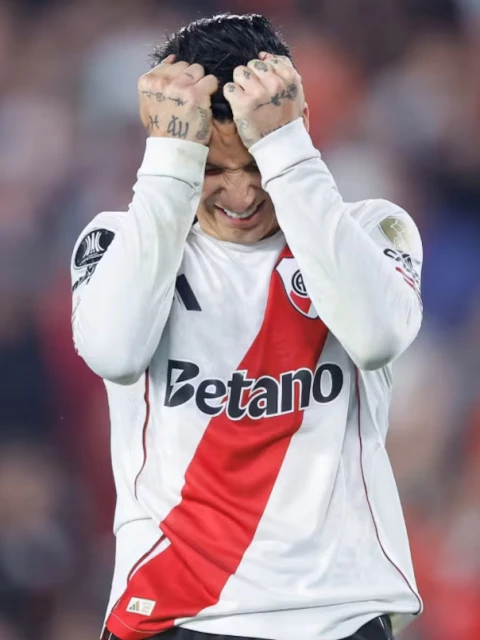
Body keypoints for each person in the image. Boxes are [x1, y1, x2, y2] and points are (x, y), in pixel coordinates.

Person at [70, 13, 423, 640]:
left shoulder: (371, 230)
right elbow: (115, 352)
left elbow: (376, 339)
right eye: (211, 168)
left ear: (296, 126)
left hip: (338, 615)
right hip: (172, 616)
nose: (240, 196)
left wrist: (287, 150)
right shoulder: (121, 241)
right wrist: (169, 159)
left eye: (256, 164)